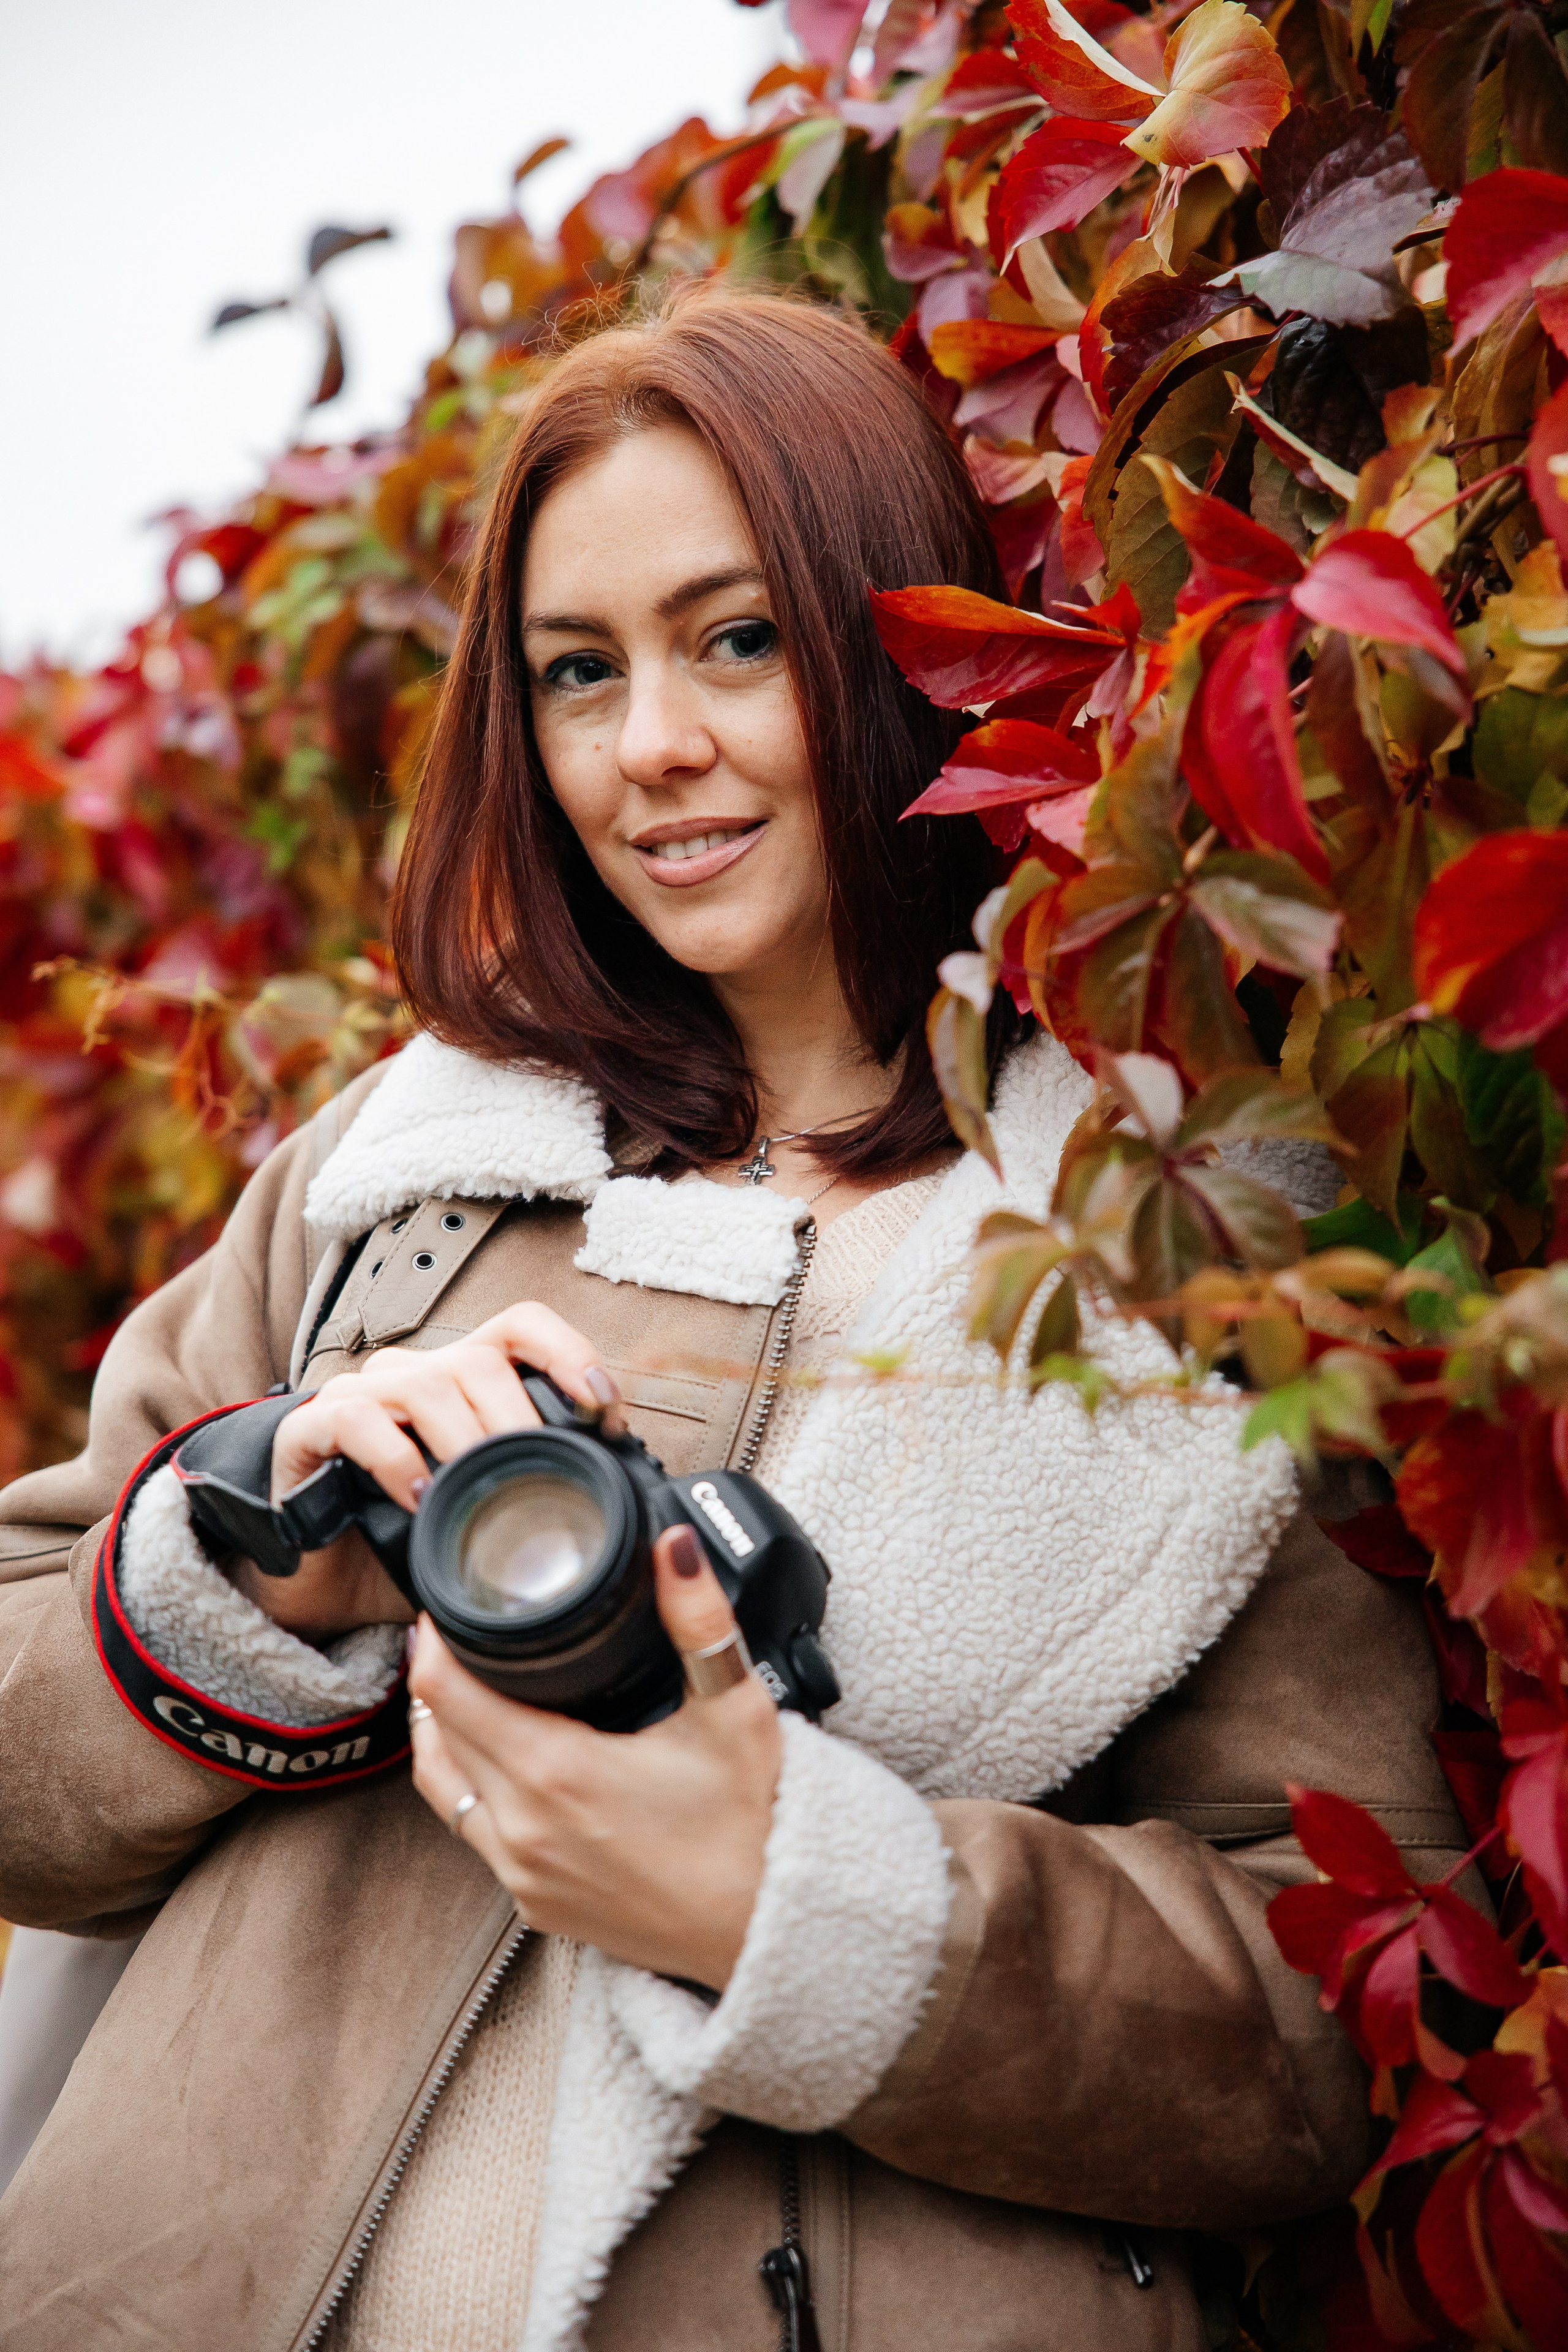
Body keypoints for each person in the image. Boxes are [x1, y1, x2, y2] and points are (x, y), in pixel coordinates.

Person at [0, 287, 1466, 2352]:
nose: (650, 749)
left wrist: (796, 1895)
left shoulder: (1167, 1239)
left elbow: (1329, 2018)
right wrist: (250, 1546)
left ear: (898, 633)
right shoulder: (403, 1174)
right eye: (577, 674)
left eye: (738, 638)